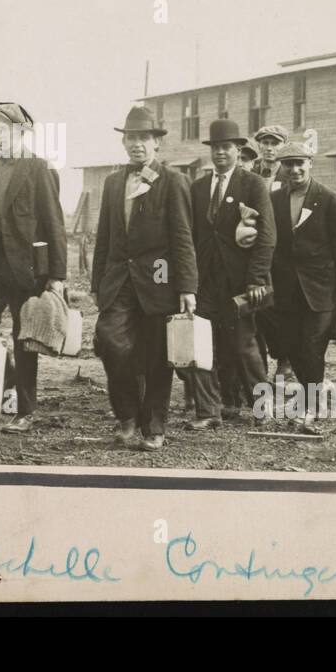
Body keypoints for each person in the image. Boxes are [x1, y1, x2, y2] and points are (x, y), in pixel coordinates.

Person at [91, 106, 198, 452]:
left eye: (144, 138)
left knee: (156, 356)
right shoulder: (112, 184)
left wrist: (187, 287)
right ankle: (126, 416)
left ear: (157, 144)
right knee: (111, 343)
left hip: (160, 280)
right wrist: (98, 284)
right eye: (131, 138)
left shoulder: (174, 182)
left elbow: (182, 237)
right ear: (124, 142)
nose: (137, 144)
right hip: (119, 281)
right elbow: (104, 238)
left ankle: (153, 426)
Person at [0, 102, 67, 434]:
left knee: (25, 338)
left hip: (26, 268)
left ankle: (25, 409)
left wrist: (57, 277)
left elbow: (54, 223)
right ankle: (6, 380)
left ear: (21, 132)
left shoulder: (40, 169)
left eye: (3, 132)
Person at [185, 119, 275, 427]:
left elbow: (266, 235)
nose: (221, 153)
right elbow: (191, 235)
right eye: (216, 148)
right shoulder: (197, 188)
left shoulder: (252, 185)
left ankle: (263, 408)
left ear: (238, 150)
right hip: (204, 281)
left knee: (243, 345)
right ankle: (209, 411)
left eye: (227, 147)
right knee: (200, 345)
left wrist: (256, 279)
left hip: (239, 281)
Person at [268, 143, 336, 429]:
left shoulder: (329, 199)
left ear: (310, 163)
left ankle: (310, 406)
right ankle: (312, 394)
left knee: (312, 346)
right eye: (289, 164)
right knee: (291, 347)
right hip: (285, 289)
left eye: (300, 163)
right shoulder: (276, 200)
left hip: (321, 289)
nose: (294, 169)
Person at [251, 124, 290, 380]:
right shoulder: (252, 173)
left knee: (281, 306)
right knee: (257, 309)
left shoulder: (291, 173)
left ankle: (285, 358)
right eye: (264, 143)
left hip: (284, 251)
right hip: (254, 249)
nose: (268, 148)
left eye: (274, 143)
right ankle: (259, 364)